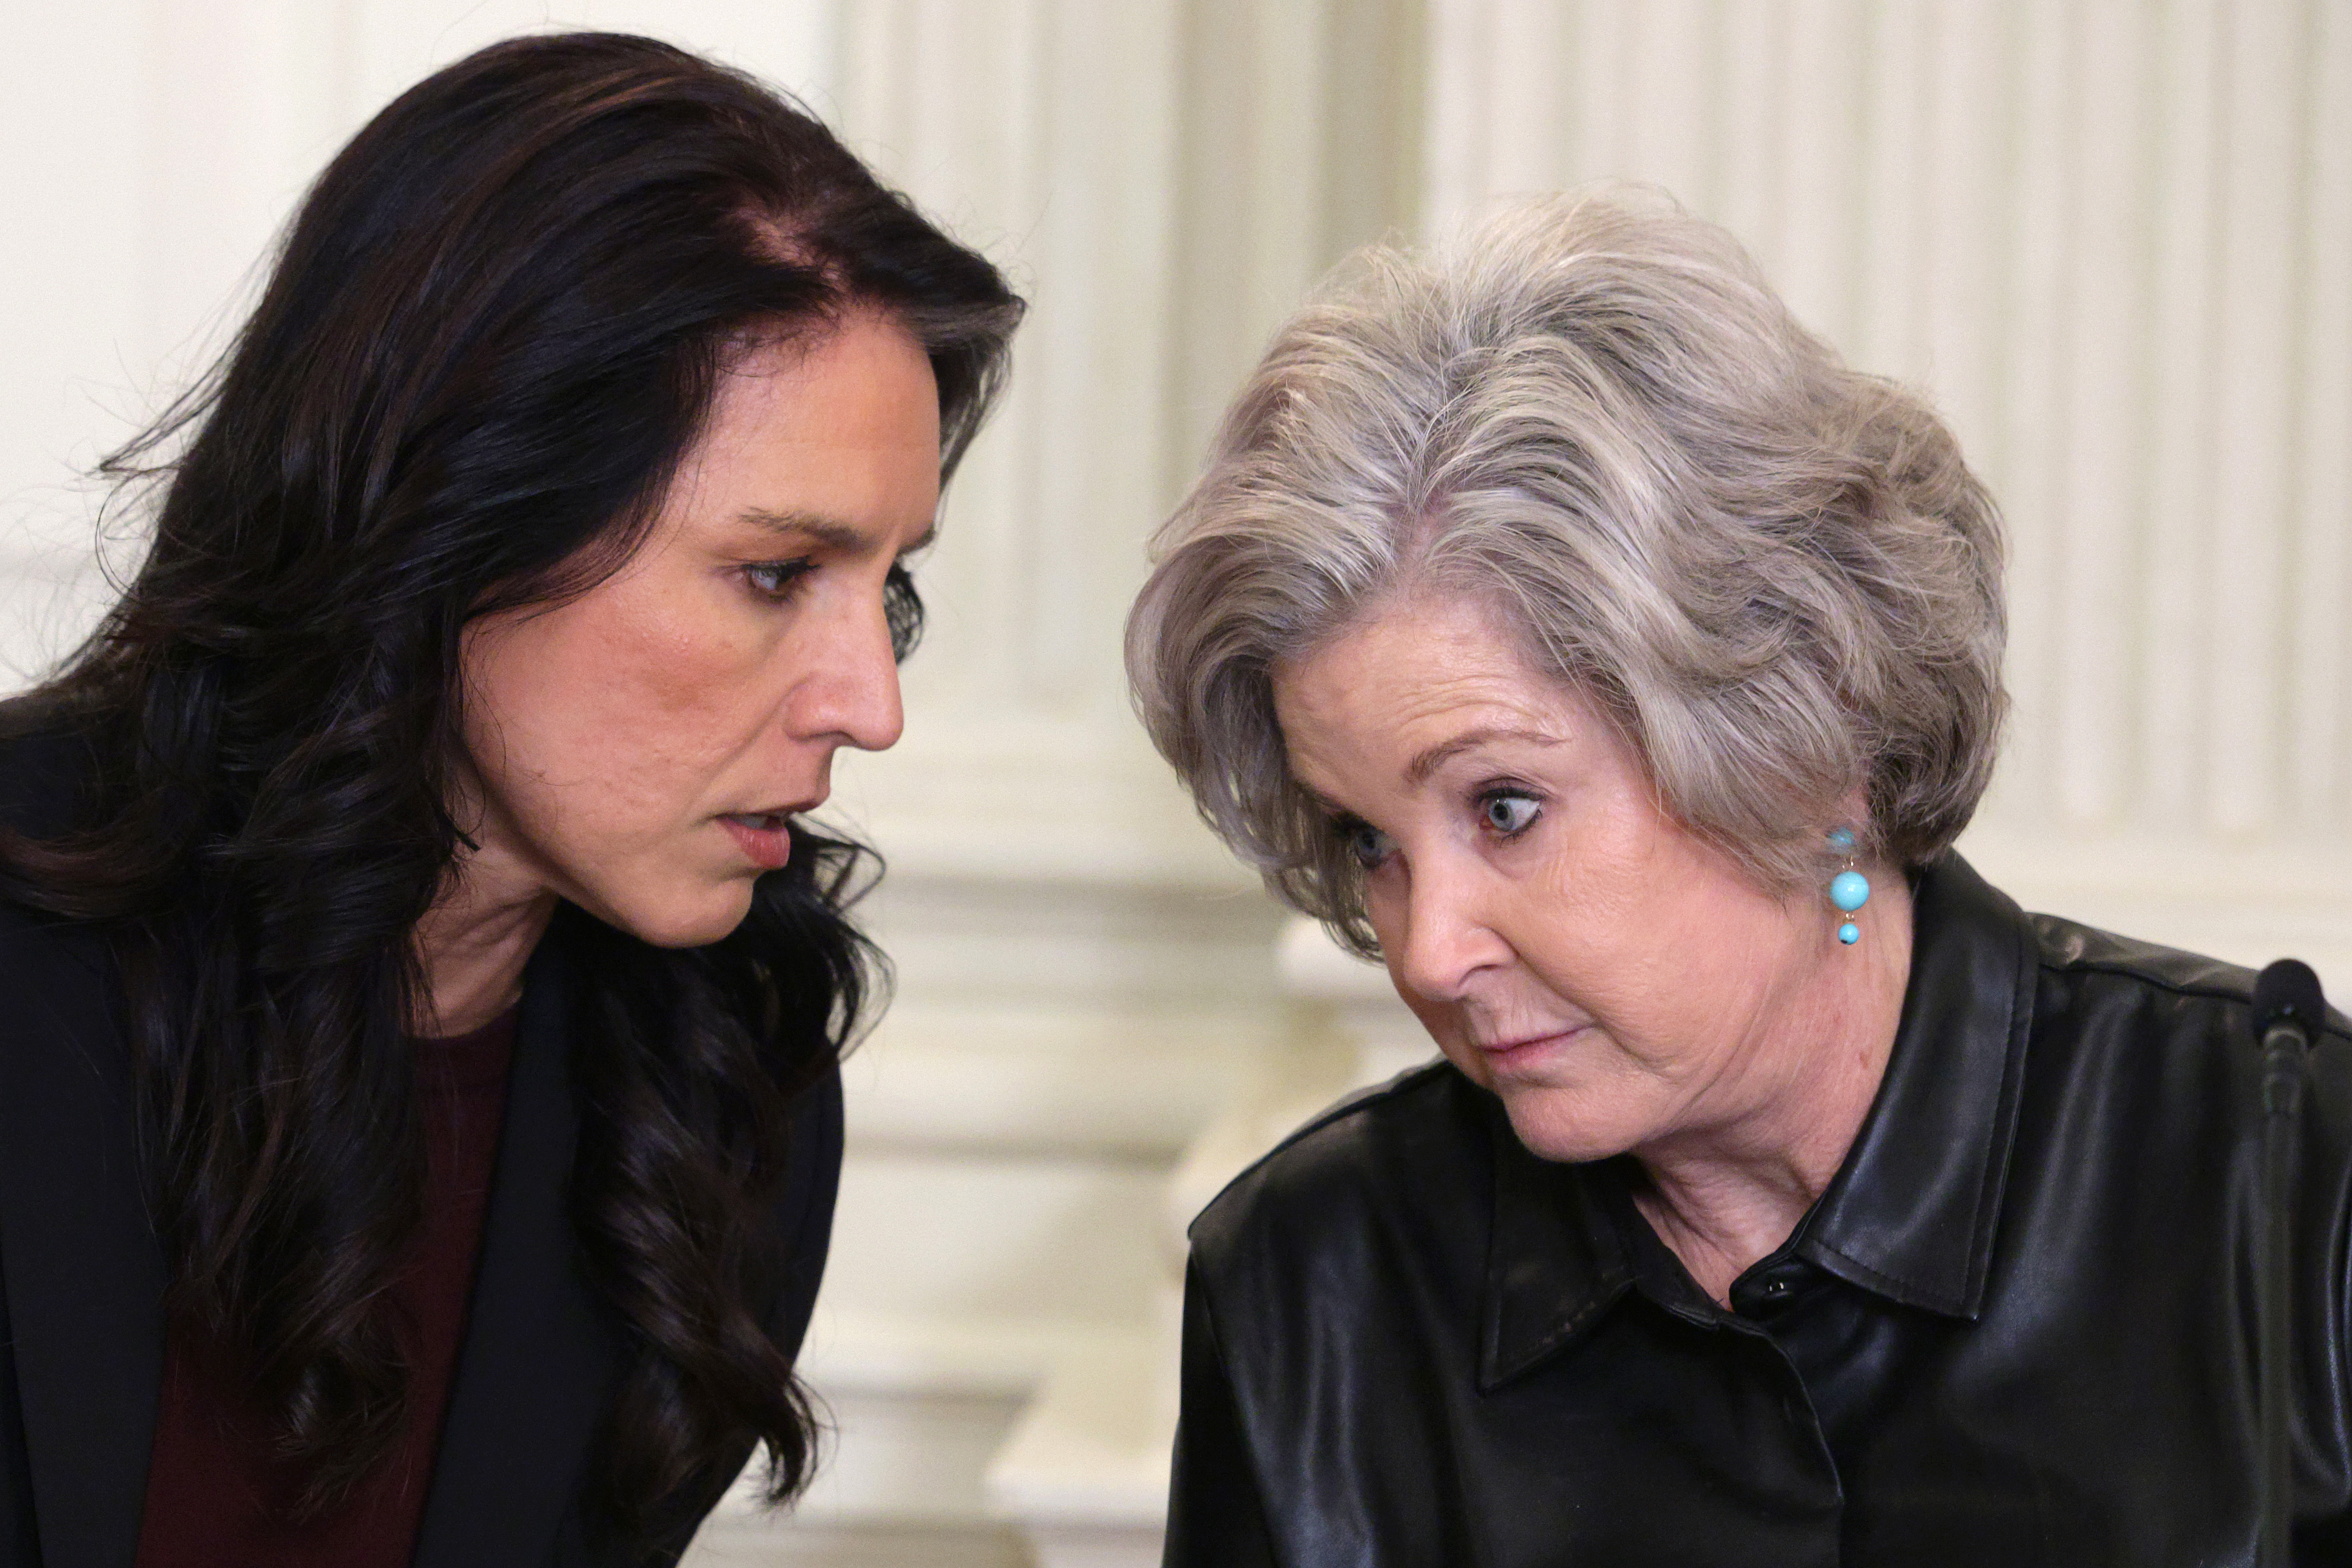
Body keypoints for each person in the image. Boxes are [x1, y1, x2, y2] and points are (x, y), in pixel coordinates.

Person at [1126, 189, 2352, 1564]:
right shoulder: (1317, 1288)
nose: (1427, 952)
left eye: (1508, 807)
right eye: (1371, 843)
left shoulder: (2297, 1178)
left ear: (1797, 734)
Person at [0, 32, 1019, 1568]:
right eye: (772, 574)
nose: (870, 705)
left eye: (887, 586)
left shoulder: (724, 1089)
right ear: (460, 519)